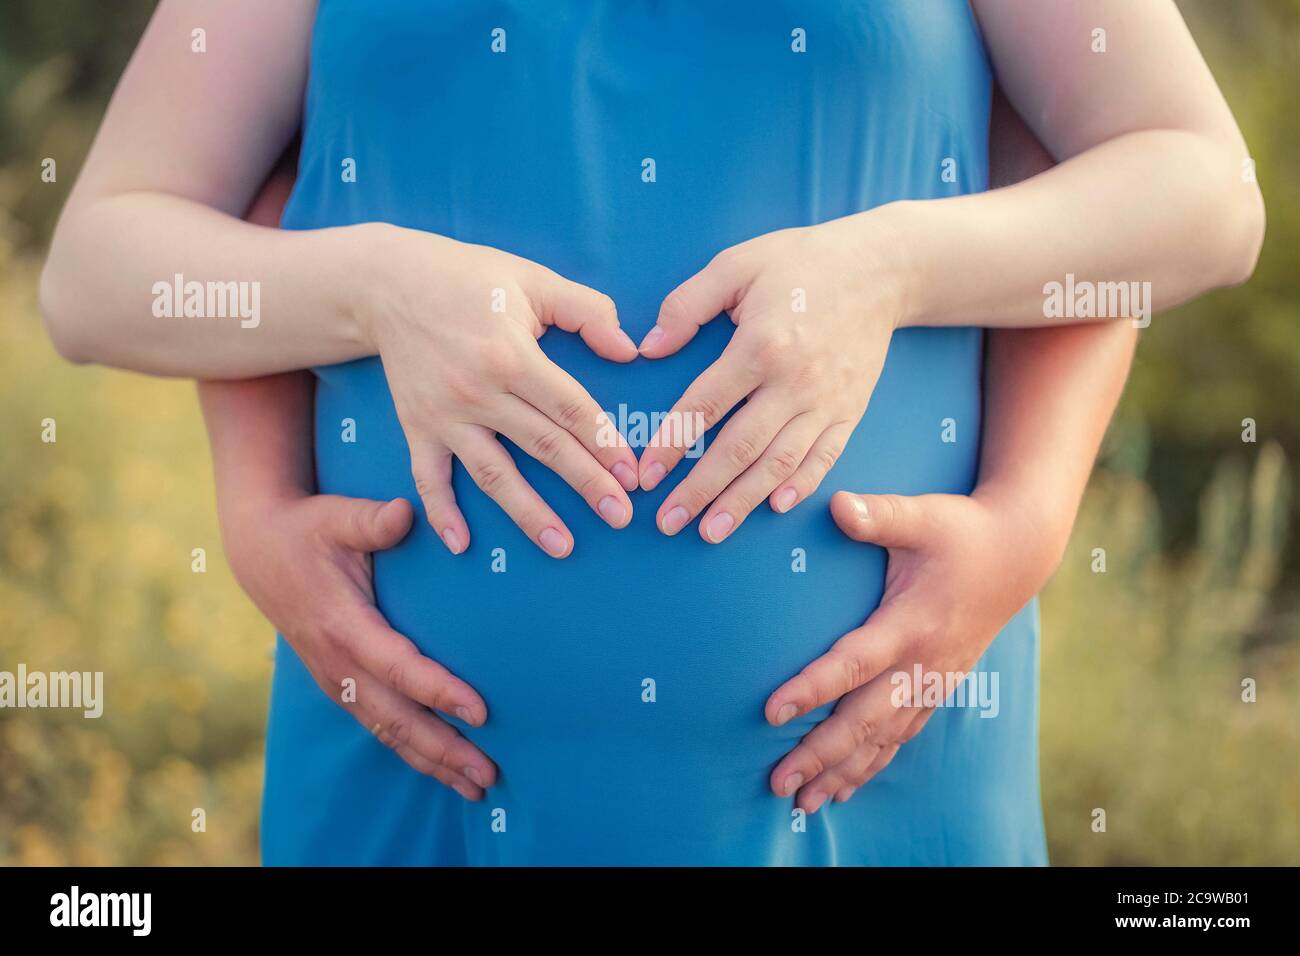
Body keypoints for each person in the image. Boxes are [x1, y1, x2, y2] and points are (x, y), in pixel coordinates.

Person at [41, 0, 1263, 864]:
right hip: (410, 790)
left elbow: (1197, 196)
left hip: (875, 784)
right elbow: (99, 272)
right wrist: (373, 289)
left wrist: (896, 272)